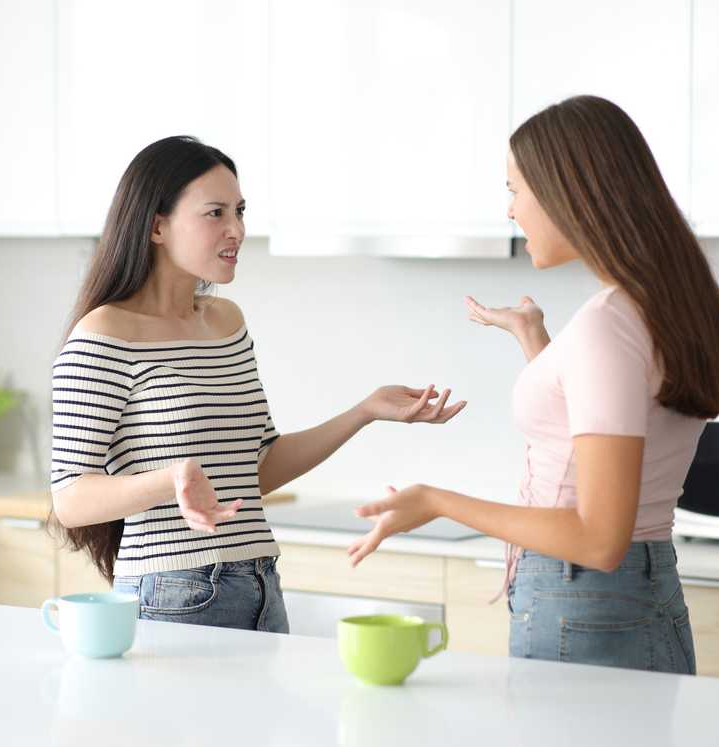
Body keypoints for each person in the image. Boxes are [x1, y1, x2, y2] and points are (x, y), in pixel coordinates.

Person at [348, 96, 719, 673]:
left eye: (514, 190)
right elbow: (603, 423)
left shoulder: (609, 324)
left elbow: (596, 537)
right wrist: (536, 342)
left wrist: (434, 500)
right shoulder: (655, 309)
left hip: (585, 599)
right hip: (635, 595)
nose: (510, 211)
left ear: (570, 193)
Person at [49, 136, 466, 632]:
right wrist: (171, 479)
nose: (237, 230)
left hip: (261, 583)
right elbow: (69, 499)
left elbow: (257, 469)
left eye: (241, 211)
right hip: (173, 590)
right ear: (157, 226)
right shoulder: (104, 333)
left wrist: (364, 411)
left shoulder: (225, 322)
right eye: (216, 213)